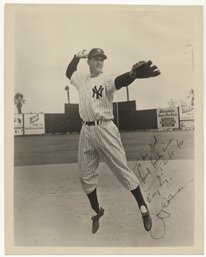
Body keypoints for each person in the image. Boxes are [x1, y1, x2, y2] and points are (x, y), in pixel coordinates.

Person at [66, 48, 160, 234]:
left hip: (106, 129)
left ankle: (143, 209)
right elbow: (69, 72)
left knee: (122, 170)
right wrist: (76, 56)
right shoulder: (82, 79)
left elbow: (120, 81)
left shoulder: (106, 79)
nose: (100, 62)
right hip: (86, 130)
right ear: (89, 61)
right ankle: (97, 211)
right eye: (96, 59)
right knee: (85, 176)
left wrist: (132, 74)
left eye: (102, 59)